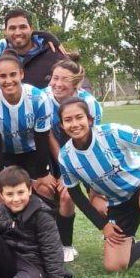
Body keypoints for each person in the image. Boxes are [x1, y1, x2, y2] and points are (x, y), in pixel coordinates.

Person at [57, 98, 140, 278]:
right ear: (62, 125)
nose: (75, 124)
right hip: (118, 202)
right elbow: (76, 194)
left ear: (90, 119)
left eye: (79, 117)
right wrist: (103, 225)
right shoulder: (65, 157)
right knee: (114, 265)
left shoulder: (112, 133)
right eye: (68, 120)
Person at [44, 56, 108, 262]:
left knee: (100, 201)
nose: (58, 84)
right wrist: (65, 170)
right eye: (55, 78)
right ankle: (65, 245)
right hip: (59, 157)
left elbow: (94, 138)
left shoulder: (90, 104)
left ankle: (119, 237)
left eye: (64, 79)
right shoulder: (43, 99)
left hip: (88, 156)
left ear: (76, 84)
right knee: (66, 195)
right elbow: (49, 135)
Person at [0, 52, 57, 208]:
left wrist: (43, 174)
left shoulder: (38, 98)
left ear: (22, 74)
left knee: (45, 187)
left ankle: (45, 229)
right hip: (4, 153)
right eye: (3, 76)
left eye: (13, 74)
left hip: (33, 151)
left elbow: (41, 139)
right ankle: (3, 231)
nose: (8, 81)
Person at [3, 8, 63, 89]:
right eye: (12, 28)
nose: (17, 33)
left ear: (31, 29)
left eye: (23, 27)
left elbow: (76, 81)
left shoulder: (53, 53)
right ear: (5, 31)